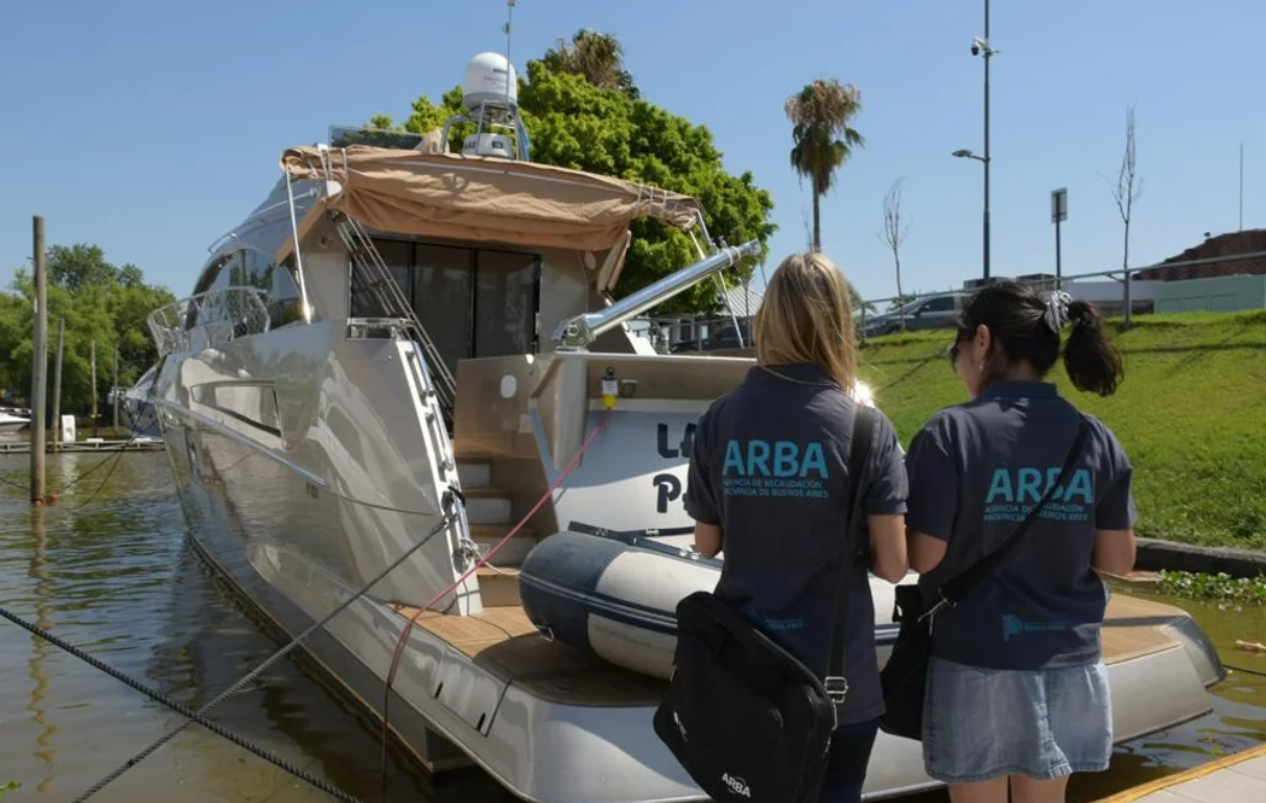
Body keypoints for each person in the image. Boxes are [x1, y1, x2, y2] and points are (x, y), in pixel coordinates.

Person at [682, 251, 910, 803]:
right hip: (838, 684)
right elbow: (894, 564)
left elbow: (707, 543)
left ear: (770, 320)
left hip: (746, 677)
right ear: (838, 322)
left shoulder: (721, 416)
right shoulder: (867, 428)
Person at [903, 282, 1138, 803]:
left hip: (976, 656)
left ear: (981, 342)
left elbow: (923, 558)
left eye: (956, 352)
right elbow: (1119, 560)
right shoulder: (1094, 436)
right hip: (1070, 660)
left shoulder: (949, 434)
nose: (959, 364)